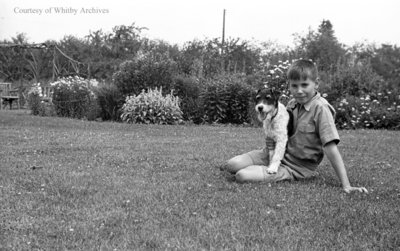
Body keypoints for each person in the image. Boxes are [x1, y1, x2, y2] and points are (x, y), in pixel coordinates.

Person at [226, 59, 368, 194]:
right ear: (289, 85)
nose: (299, 91)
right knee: (232, 165)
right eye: (294, 85)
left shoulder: (321, 109)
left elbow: (330, 147)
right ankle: (263, 167)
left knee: (242, 175)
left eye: (304, 85)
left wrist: (346, 185)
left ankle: (266, 171)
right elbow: (278, 132)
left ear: (316, 83)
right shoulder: (292, 104)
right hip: (276, 153)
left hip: (295, 166)